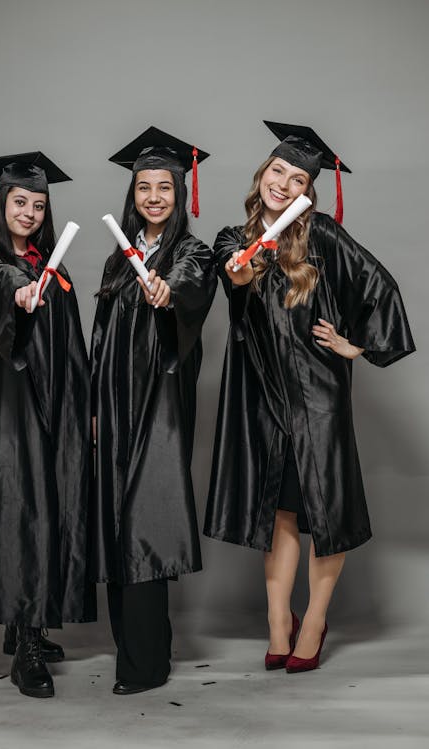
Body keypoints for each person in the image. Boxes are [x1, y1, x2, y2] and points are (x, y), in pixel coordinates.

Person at [204, 122, 415, 673]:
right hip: (263, 395)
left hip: (319, 395)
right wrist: (245, 265)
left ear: (308, 192)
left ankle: (315, 621)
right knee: (281, 511)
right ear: (261, 175)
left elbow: (380, 286)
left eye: (298, 179)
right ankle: (279, 623)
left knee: (326, 507)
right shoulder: (233, 237)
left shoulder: (320, 235)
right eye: (278, 171)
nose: (284, 183)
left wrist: (357, 346)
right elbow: (239, 275)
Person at [0, 152, 96, 698]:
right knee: (22, 511)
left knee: (55, 504)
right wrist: (19, 291)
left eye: (39, 205)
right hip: (13, 406)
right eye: (20, 202)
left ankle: (27, 625)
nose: (30, 212)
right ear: (1, 201)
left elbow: (75, 346)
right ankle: (28, 651)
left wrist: (86, 408)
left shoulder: (53, 268)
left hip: (59, 405)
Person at [90, 127, 217, 695]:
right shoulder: (119, 259)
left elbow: (191, 287)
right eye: (144, 188)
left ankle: (142, 666)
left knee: (146, 524)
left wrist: (168, 291)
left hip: (159, 408)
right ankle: (144, 652)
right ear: (133, 195)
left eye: (164, 187)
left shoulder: (190, 252)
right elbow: (99, 340)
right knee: (118, 524)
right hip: (114, 411)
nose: (154, 197)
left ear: (180, 193)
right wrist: (93, 406)